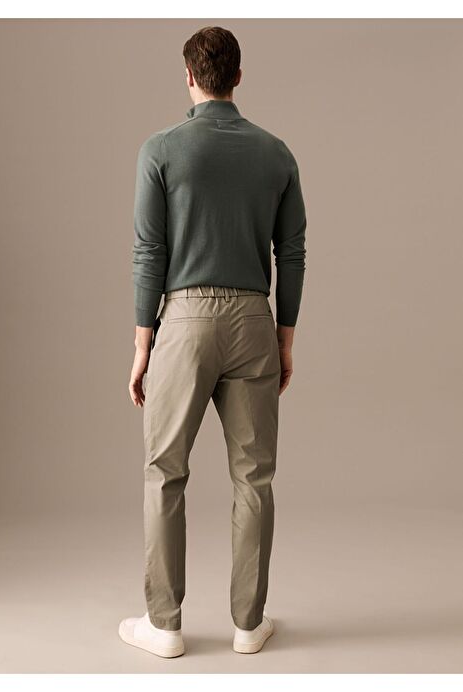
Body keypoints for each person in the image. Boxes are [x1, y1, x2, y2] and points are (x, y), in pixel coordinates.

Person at [119, 25, 307, 658]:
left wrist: (143, 345)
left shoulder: (161, 150)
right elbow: (291, 253)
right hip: (254, 322)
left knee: (164, 472)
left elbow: (149, 251)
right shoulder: (276, 153)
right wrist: (284, 338)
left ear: (189, 77)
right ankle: (249, 625)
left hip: (185, 323)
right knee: (255, 478)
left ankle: (164, 626)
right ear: (238, 78)